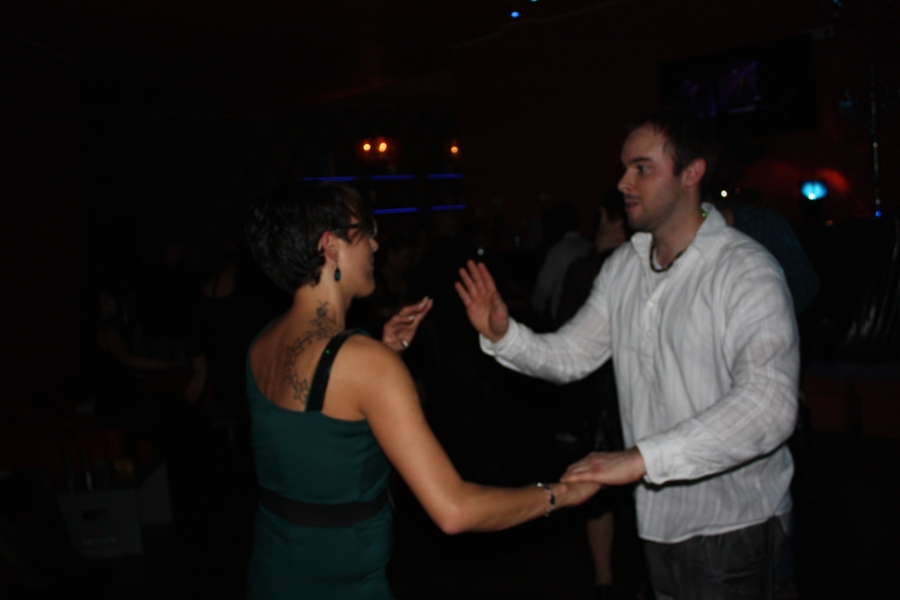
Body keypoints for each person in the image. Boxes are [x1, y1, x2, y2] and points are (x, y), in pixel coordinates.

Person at [456, 108, 799, 600]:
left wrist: (642, 458)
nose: (623, 182)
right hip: (657, 519)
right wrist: (505, 335)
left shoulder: (744, 270)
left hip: (734, 523)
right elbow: (571, 355)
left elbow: (769, 404)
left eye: (642, 168)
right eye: (624, 167)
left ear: (691, 172)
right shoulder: (625, 266)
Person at [243, 181, 599, 600]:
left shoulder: (263, 342)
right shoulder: (365, 363)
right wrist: (563, 494)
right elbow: (455, 510)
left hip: (274, 569)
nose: (375, 244)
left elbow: (311, 440)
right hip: (343, 581)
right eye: (365, 229)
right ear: (331, 245)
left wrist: (382, 354)